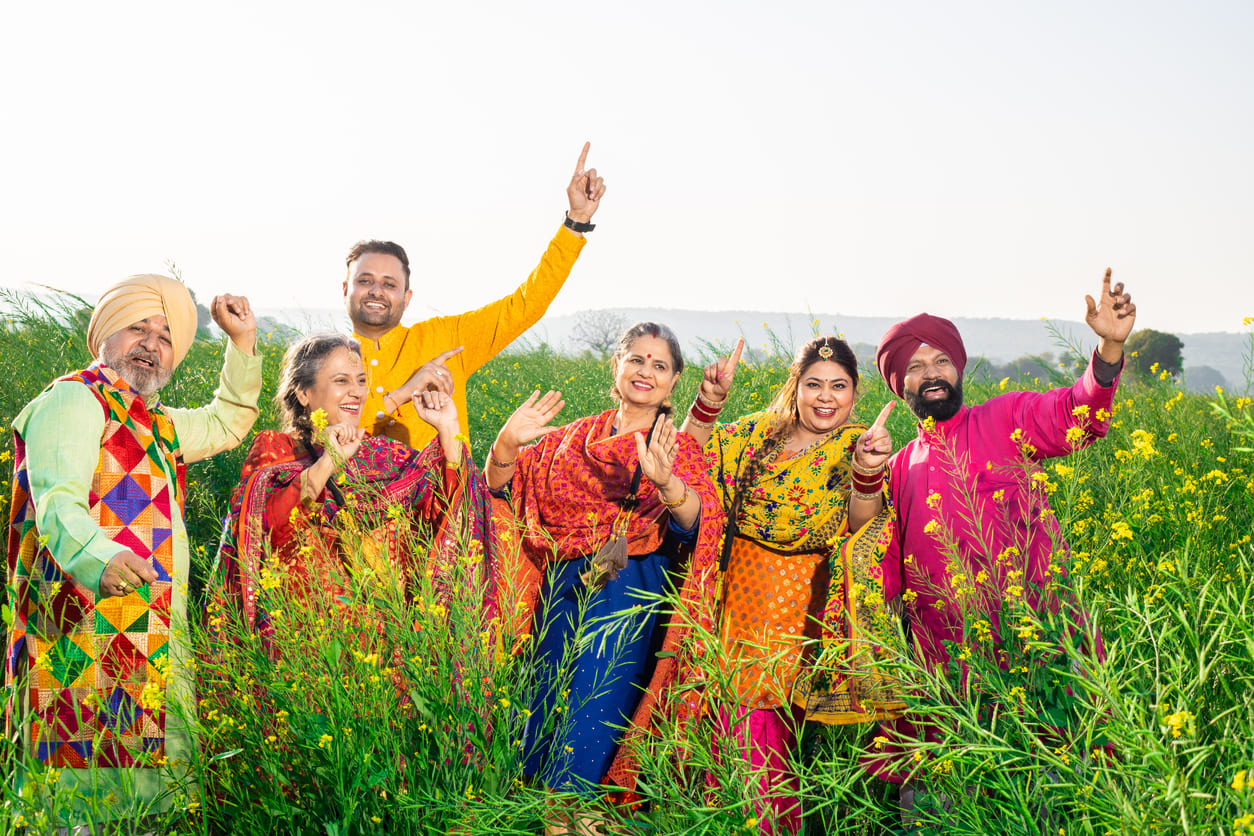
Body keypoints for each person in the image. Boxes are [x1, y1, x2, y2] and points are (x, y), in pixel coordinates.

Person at [4, 275, 261, 823]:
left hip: (149, 623)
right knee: (82, 788)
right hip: (77, 625)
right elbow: (57, 502)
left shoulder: (156, 422)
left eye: (166, 335)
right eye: (137, 327)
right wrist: (99, 558)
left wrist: (241, 345)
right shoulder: (74, 398)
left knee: (151, 794)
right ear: (103, 336)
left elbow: (225, 423)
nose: (151, 343)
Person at [871, 270, 1135, 786]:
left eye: (942, 360)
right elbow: (882, 580)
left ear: (959, 368)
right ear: (899, 384)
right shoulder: (897, 468)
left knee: (1057, 795)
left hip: (1038, 650)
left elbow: (1076, 411)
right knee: (949, 806)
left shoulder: (1005, 417)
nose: (932, 373)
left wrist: (1107, 349)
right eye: (916, 365)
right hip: (948, 675)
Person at [486, 322, 724, 834]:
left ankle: (575, 820)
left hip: (629, 596)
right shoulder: (572, 438)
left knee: (594, 714)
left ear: (674, 381)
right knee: (545, 708)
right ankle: (542, 818)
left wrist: (666, 482)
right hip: (563, 594)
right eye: (637, 359)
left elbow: (695, 528)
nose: (646, 372)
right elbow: (501, 491)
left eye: (660, 365)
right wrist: (505, 443)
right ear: (615, 366)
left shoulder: (675, 446)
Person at [682, 335, 902, 835]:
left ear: (855, 392)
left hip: (800, 604)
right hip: (734, 596)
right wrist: (708, 403)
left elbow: (861, 524)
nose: (826, 397)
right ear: (796, 387)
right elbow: (686, 461)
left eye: (839, 387)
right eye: (814, 385)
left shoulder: (858, 443)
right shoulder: (758, 432)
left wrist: (868, 474)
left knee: (766, 736)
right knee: (720, 724)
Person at [212, 333, 496, 641]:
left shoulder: (385, 454)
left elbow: (446, 513)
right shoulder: (276, 449)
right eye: (341, 381)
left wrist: (448, 429)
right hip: (300, 645)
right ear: (304, 393)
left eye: (361, 381)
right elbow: (262, 530)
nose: (357, 392)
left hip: (382, 645)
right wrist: (328, 462)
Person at [346, 142, 607, 449]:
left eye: (390, 284)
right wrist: (402, 393)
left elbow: (525, 305)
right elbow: (324, 438)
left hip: (446, 497)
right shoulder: (326, 361)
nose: (377, 291)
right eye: (365, 280)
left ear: (407, 296)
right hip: (355, 496)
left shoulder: (445, 338)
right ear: (345, 289)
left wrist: (575, 223)